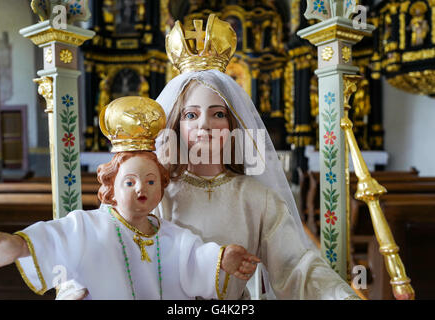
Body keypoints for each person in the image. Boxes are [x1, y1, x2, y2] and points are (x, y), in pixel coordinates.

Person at [57, 14, 361, 300]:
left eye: (218, 114)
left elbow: (297, 266)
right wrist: (75, 288)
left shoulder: (257, 198)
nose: (205, 124)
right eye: (191, 114)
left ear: (232, 125)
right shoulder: (152, 191)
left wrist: (341, 294)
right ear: (176, 125)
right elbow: (103, 247)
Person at [0, 97, 260, 300]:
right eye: (129, 182)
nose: (141, 188)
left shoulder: (170, 235)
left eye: (151, 181)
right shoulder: (88, 226)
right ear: (111, 188)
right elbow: (55, 237)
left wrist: (222, 258)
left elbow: (194, 259)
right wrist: (15, 245)